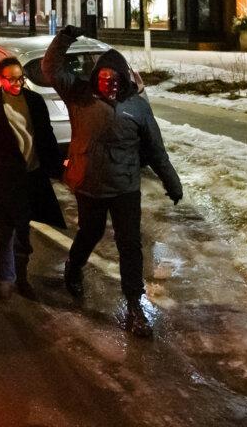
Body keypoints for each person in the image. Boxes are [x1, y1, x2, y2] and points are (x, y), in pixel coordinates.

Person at [43, 24, 183, 338]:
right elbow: (50, 67)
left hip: (125, 188)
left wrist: (171, 182)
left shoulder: (137, 107)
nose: (108, 85)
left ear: (123, 80)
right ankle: (74, 266)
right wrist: (64, 37)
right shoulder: (79, 96)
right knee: (90, 233)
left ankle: (135, 306)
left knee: (130, 244)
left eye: (114, 80)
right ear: (97, 78)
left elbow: (156, 149)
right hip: (89, 184)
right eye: (103, 78)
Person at [0, 57, 65, 300]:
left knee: (23, 228)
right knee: (6, 229)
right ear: (1, 79)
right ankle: (5, 278)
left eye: (21, 78)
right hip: (2, 178)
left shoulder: (35, 102)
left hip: (31, 176)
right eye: (12, 79)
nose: (18, 83)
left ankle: (22, 277)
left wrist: (58, 168)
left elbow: (45, 136)